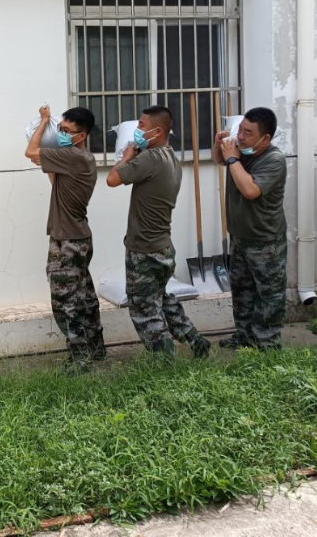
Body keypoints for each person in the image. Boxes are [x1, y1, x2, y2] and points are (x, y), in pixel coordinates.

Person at [107, 105, 210, 358]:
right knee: (160, 299)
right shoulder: (170, 157)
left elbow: (112, 179)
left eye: (142, 125)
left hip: (145, 249)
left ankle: (164, 362)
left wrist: (127, 155)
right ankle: (195, 340)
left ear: (158, 131)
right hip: (163, 246)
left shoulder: (149, 159)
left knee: (144, 309)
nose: (137, 129)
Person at [26, 105, 105, 371]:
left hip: (68, 242)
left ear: (81, 136)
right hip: (76, 238)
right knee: (85, 297)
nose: (61, 133)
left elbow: (30, 151)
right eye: (59, 128)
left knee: (66, 303)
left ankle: (80, 359)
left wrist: (44, 121)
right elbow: (55, 182)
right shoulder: (80, 159)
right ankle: (96, 348)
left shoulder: (72, 157)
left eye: (66, 130)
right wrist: (49, 159)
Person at [212, 107, 287, 349]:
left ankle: (268, 345)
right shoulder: (242, 150)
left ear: (265, 138)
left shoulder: (273, 160)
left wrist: (233, 159)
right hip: (240, 236)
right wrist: (219, 146)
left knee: (269, 295)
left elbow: (250, 190)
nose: (241, 137)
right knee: (242, 290)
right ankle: (244, 337)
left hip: (265, 241)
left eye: (248, 133)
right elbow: (219, 160)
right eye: (240, 130)